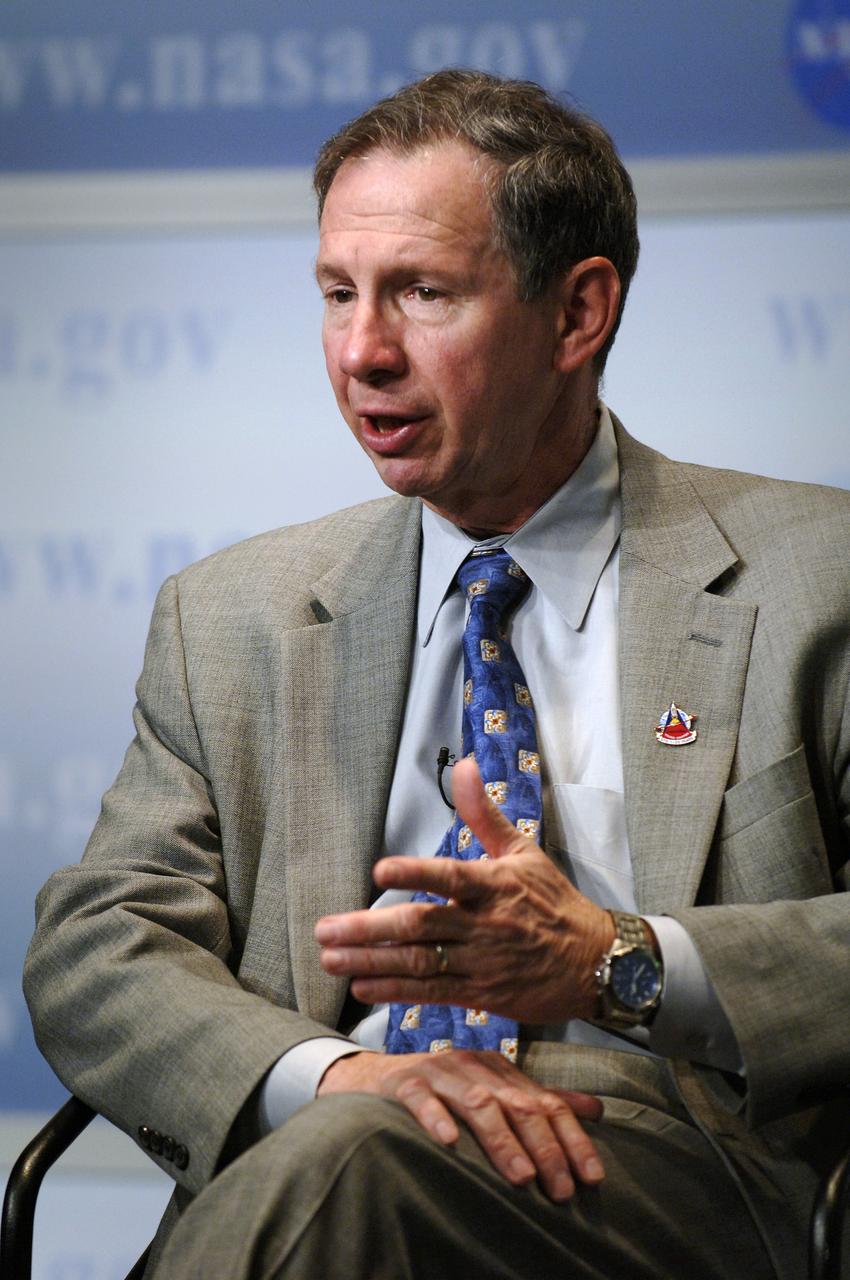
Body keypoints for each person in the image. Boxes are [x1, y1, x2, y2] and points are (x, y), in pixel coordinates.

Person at [24, 70, 850, 1280]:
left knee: (360, 1160)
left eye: (421, 293)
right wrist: (341, 1073)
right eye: (337, 293)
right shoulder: (233, 616)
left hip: (688, 1182)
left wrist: (614, 959)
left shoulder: (814, 576)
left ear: (577, 315)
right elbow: (98, 941)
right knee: (361, 1147)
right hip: (335, 1153)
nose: (363, 352)